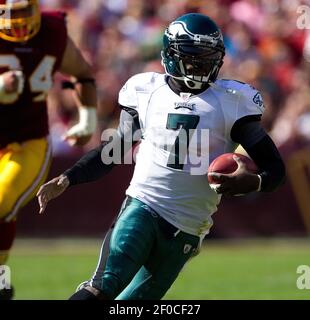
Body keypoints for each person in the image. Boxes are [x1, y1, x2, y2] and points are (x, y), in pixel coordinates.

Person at [37, 13, 286, 300]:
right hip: (144, 205)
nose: (203, 65)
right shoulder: (146, 90)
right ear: (171, 55)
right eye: (194, 57)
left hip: (189, 227)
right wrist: (69, 178)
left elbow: (275, 168)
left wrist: (253, 182)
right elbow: (112, 151)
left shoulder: (233, 101)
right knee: (102, 288)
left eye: (210, 57)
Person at [0, 0, 97, 300]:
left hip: (28, 141)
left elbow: (81, 72)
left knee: (2, 202)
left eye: (24, 13)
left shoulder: (51, 32)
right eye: (11, 15)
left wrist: (88, 116)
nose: (18, 23)